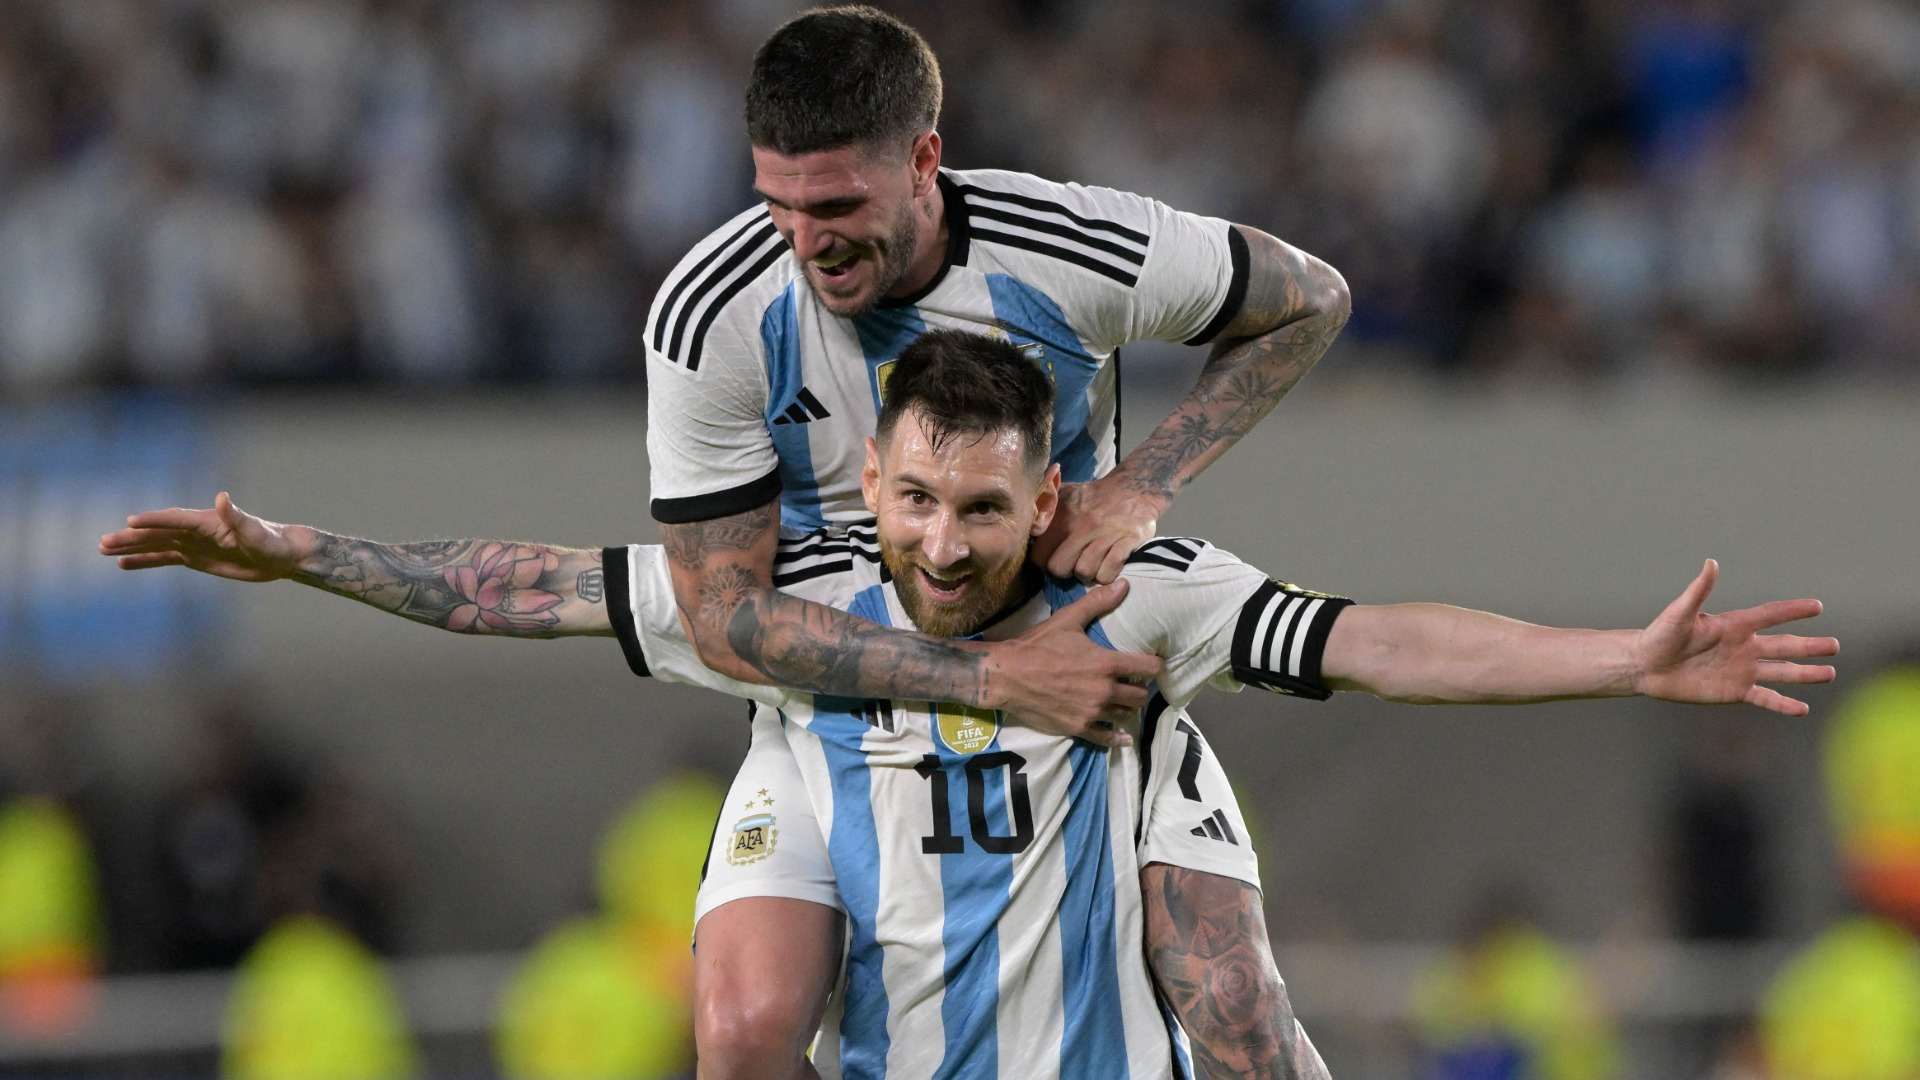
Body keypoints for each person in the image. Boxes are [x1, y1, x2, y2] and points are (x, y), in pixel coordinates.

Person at [103, 330, 1837, 1079]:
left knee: (1235, 998)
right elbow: (536, 587)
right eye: (917, 501)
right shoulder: (785, 604)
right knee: (738, 1024)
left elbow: (1374, 639)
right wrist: (296, 552)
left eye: (985, 510)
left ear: (1047, 497)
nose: (943, 545)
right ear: (877, 472)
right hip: (887, 1030)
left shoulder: (1135, 592)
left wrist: (1616, 656)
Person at [646, 7, 1348, 1070]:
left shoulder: (1067, 247)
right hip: (831, 706)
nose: (806, 240)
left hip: (1075, 688)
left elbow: (1311, 301)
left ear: (926, 159)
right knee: (742, 1037)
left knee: (1242, 1014)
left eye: (836, 202)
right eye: (778, 204)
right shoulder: (716, 312)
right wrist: (983, 678)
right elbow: (721, 616)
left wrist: (1138, 487)